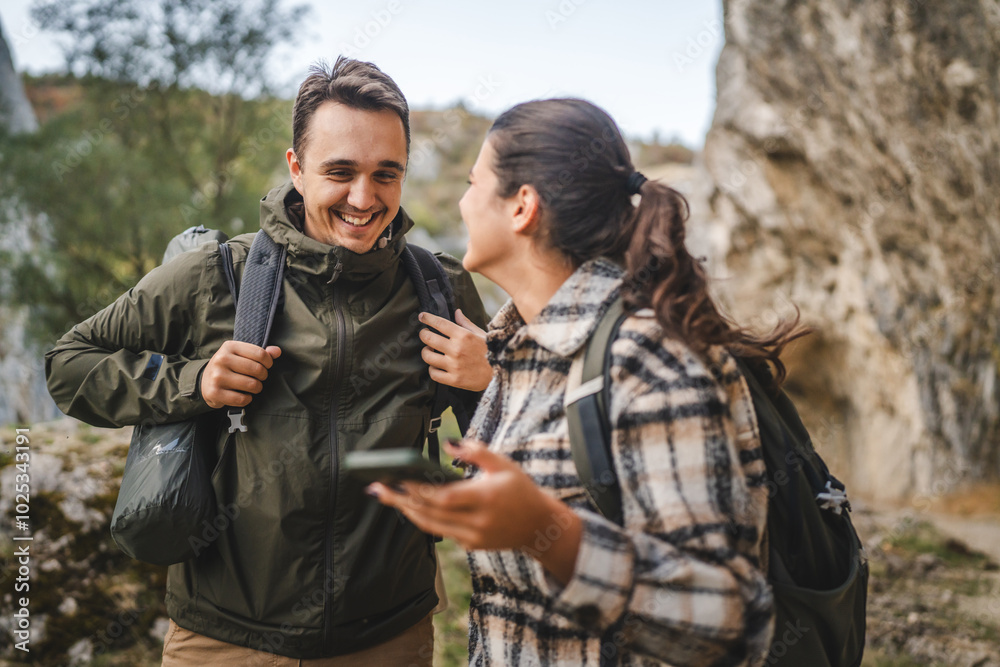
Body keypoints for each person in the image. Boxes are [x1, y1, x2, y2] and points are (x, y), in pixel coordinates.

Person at [45, 56, 492, 665]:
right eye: (340, 172)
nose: (364, 198)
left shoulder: (440, 289)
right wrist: (191, 382)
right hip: (225, 640)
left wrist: (492, 384)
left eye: (387, 174)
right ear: (296, 168)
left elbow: (507, 451)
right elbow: (68, 363)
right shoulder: (215, 275)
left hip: (390, 637)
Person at [371, 98, 809, 666]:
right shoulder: (521, 353)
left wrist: (550, 531)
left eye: (474, 182)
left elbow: (726, 621)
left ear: (522, 206)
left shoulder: (648, 360)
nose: (462, 201)